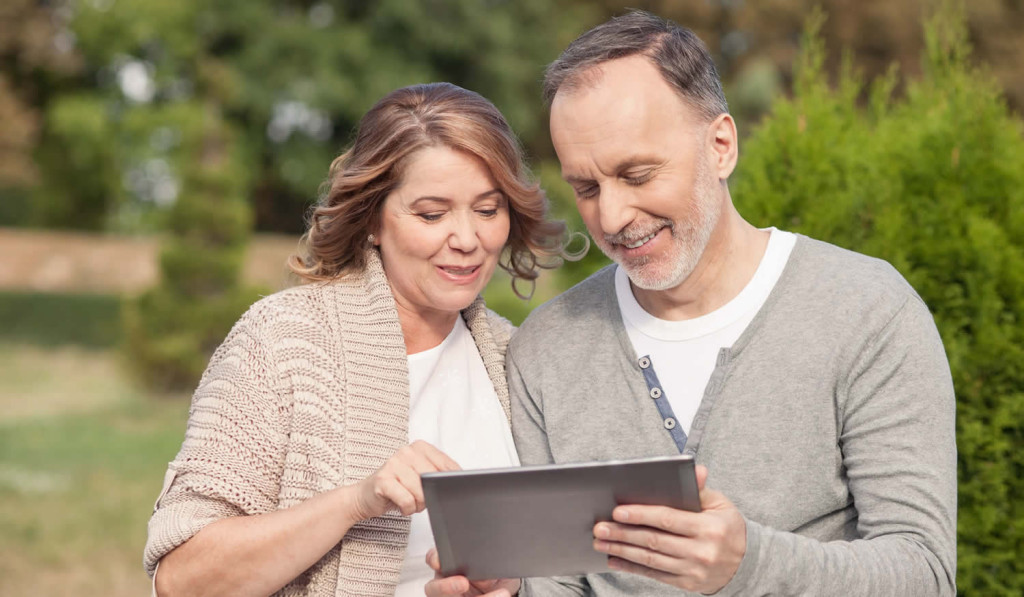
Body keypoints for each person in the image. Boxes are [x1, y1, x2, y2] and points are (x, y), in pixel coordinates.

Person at [427, 9, 956, 597]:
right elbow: (562, 584)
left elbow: (924, 573)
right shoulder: (546, 348)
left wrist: (746, 565)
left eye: (638, 173)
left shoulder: (867, 311)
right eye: (586, 188)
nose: (612, 216)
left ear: (721, 145)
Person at [143, 82, 568, 597]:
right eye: (432, 214)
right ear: (372, 221)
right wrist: (357, 501)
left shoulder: (515, 356)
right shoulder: (283, 342)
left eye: (486, 209)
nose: (467, 239)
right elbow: (182, 579)